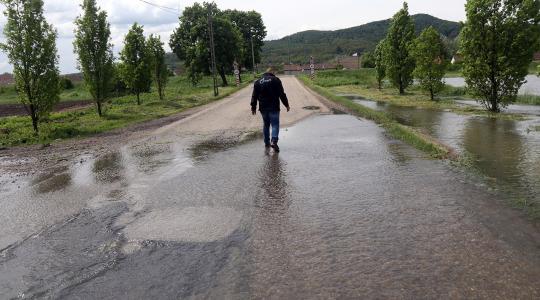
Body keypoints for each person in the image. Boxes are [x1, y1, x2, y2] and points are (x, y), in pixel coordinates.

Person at [251, 68, 290, 153]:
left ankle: (267, 142)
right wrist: (286, 104)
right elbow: (282, 94)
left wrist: (253, 107)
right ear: (272, 72)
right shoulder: (276, 80)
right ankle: (274, 141)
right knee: (275, 124)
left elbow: (254, 96)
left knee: (266, 124)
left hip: (263, 108)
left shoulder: (258, 82)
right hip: (274, 107)